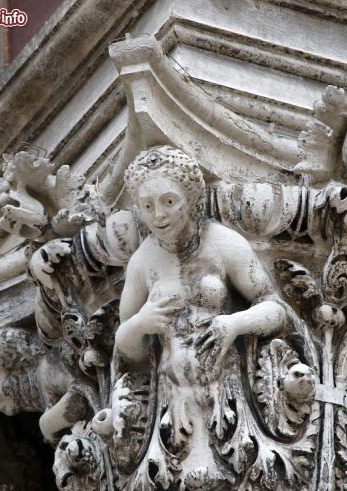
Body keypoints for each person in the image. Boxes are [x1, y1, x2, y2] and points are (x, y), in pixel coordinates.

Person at [112, 145, 291, 488]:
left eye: (168, 201)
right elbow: (126, 349)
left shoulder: (223, 243)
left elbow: (275, 309)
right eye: (147, 206)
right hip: (173, 402)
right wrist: (141, 322)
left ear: (191, 197)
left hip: (230, 393)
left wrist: (234, 323)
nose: (158, 216)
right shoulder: (142, 262)